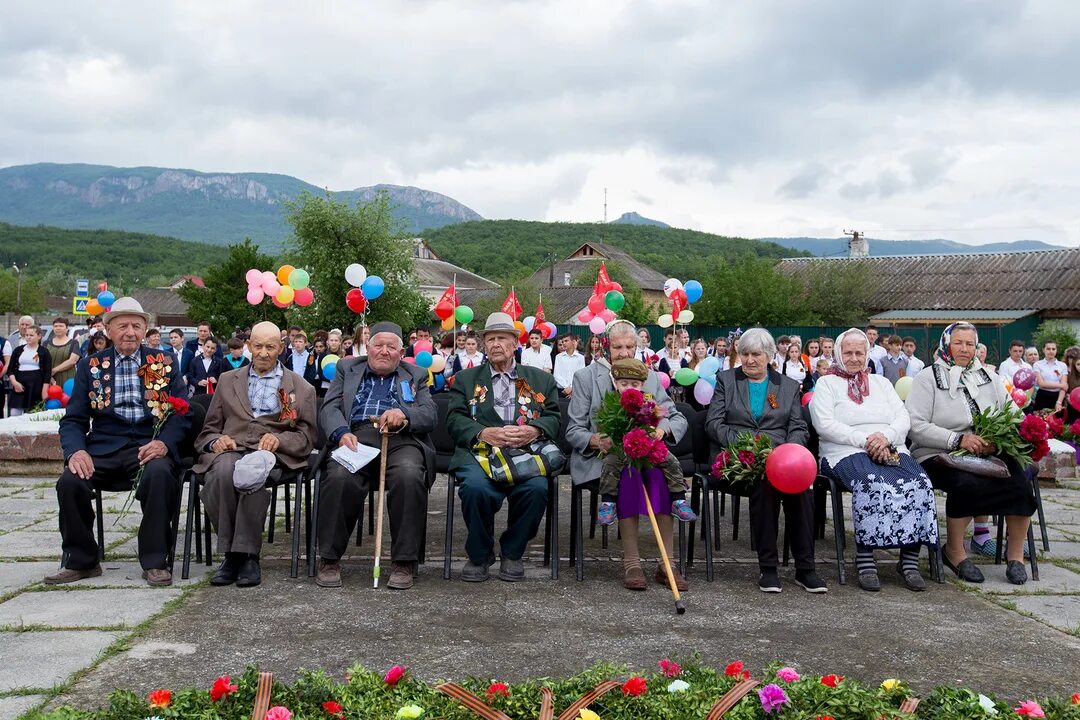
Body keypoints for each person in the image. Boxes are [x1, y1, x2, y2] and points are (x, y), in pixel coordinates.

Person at [47, 298, 190, 586]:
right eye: (122, 325)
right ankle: (82, 560)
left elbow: (181, 415)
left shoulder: (162, 362)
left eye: (136, 326)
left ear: (146, 329)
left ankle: (154, 561)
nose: (130, 332)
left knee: (161, 474)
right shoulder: (91, 366)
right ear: (108, 330)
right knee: (70, 481)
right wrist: (76, 452)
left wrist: (163, 444)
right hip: (104, 447)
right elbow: (74, 419)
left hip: (148, 446)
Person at [906, 322, 1036, 585]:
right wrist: (958, 439)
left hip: (985, 451)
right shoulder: (927, 377)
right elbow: (915, 425)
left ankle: (1015, 557)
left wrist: (995, 441)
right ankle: (954, 551)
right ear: (945, 345)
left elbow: (1013, 415)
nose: (964, 349)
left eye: (969, 344)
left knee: (1019, 481)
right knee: (966, 483)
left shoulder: (989, 377)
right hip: (937, 453)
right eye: (958, 343)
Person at [810, 329, 938, 592]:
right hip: (843, 451)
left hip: (890, 447)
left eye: (860, 352)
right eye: (848, 352)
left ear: (867, 353)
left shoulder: (881, 383)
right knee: (872, 483)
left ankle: (909, 561)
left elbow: (903, 419)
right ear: (837, 353)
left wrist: (886, 437)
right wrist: (866, 440)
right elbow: (824, 424)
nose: (855, 358)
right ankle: (866, 558)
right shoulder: (826, 384)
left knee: (920, 482)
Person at [566, 322, 689, 590]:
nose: (624, 352)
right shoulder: (586, 378)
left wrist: (661, 432)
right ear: (608, 346)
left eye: (630, 347)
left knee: (659, 475)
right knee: (629, 475)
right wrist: (597, 440)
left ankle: (666, 564)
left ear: (637, 346)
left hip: (644, 454)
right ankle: (632, 563)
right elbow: (573, 430)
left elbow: (675, 417)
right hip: (603, 459)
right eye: (618, 347)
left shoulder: (650, 376)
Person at [194, 322, 316, 587]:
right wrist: (217, 441)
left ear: (281, 349)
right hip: (232, 448)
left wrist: (279, 439)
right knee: (223, 473)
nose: (263, 352)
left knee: (253, 476)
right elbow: (209, 429)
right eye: (257, 346)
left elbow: (306, 437)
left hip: (269, 453)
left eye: (270, 347)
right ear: (248, 347)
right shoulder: (227, 381)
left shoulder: (301, 387)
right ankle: (233, 554)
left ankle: (247, 556)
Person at [705, 327, 827, 594]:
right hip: (737, 458)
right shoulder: (726, 380)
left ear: (771, 356)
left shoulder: (788, 386)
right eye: (745, 354)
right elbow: (713, 424)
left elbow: (798, 427)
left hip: (780, 458)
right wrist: (751, 444)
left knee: (801, 488)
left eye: (756, 355)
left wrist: (787, 453)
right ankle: (768, 568)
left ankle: (805, 569)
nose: (749, 360)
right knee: (766, 483)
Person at [316, 322, 436, 590]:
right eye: (378, 345)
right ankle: (329, 558)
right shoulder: (347, 368)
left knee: (409, 475)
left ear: (401, 352)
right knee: (338, 476)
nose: (384, 351)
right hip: (356, 435)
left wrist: (405, 414)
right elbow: (330, 407)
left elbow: (429, 415)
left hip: (401, 439)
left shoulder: (415, 374)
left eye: (391, 347)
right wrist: (340, 432)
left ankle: (404, 562)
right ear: (367, 348)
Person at [445, 312, 560, 583]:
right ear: (484, 345)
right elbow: (454, 419)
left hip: (526, 452)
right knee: (474, 488)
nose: (496, 344)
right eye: (490, 339)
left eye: (502, 338)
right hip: (480, 452)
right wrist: (483, 432)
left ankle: (512, 552)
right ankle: (480, 554)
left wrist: (534, 430)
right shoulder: (466, 379)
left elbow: (554, 416)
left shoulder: (539, 379)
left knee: (536, 488)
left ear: (515, 344)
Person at [3, 324, 52, 415]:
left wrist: (44, 390)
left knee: (33, 413)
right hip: (19, 384)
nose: (28, 337)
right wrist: (14, 383)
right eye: (26, 335)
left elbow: (47, 372)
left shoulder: (44, 351)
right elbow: (10, 369)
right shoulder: (18, 350)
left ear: (39, 336)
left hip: (36, 386)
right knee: (14, 412)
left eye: (31, 335)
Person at [1032, 340, 1067, 413]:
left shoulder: (1062, 365)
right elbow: (1041, 383)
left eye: (1053, 349)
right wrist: (1061, 385)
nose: (1051, 351)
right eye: (1048, 349)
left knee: (1058, 423)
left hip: (1058, 397)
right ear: (1043, 350)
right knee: (1040, 422)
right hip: (1042, 396)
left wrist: (1059, 402)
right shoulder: (1037, 364)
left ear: (1056, 350)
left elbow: (1064, 388)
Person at [47, 317, 81, 388]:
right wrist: (48, 376)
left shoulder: (74, 343)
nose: (58, 328)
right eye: (55, 326)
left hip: (68, 381)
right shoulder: (46, 343)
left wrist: (54, 370)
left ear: (67, 328)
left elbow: (72, 361)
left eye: (61, 326)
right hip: (49, 380)